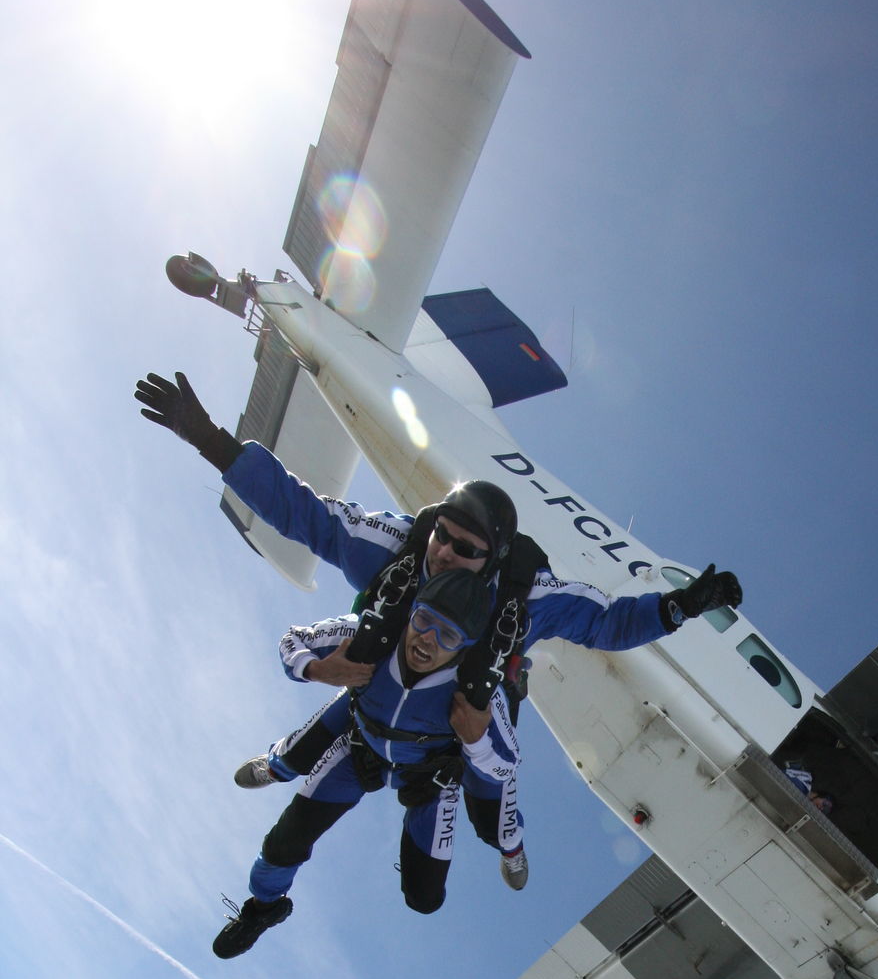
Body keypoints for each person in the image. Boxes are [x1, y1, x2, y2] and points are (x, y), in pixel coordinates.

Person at [134, 369, 743, 897]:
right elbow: (306, 513)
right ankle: (282, 766)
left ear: (494, 559)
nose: (446, 552)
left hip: (455, 723)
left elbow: (604, 622)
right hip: (377, 692)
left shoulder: (522, 596)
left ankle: (511, 847)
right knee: (311, 755)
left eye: (467, 548)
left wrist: (680, 605)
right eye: (442, 536)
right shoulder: (396, 548)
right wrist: (212, 442)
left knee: (484, 817)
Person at [209, 561, 519, 956]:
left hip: (430, 777)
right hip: (359, 746)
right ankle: (262, 905)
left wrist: (476, 743)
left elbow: (506, 768)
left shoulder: (480, 690)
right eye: (423, 620)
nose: (427, 640)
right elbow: (293, 639)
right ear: (410, 610)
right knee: (285, 840)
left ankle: (510, 840)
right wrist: (317, 668)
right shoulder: (374, 632)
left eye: (448, 636)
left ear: (467, 648)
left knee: (424, 897)